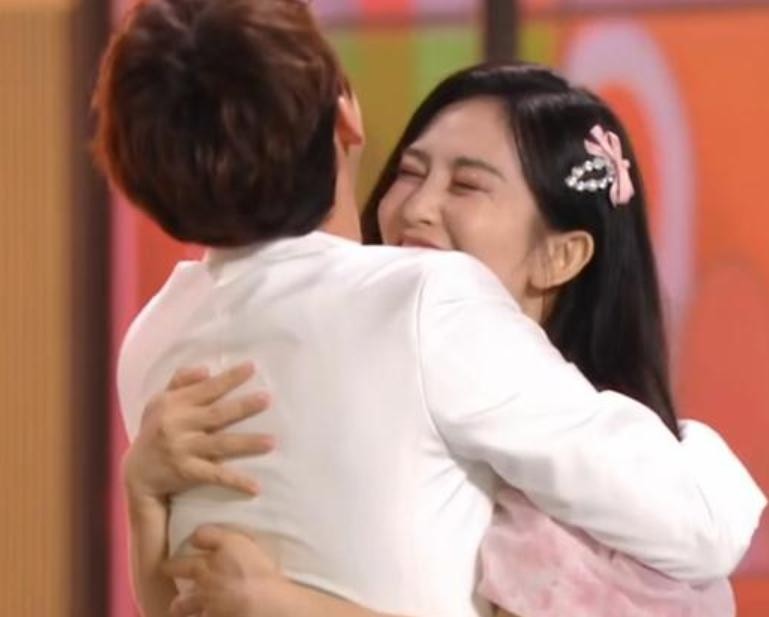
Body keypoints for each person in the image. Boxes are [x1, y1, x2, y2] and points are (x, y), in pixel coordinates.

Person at [92, 2, 765, 617]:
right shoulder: (422, 302)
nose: (417, 208)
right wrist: (695, 449)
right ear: (347, 115)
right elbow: (703, 524)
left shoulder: (154, 339)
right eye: (411, 171)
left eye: (466, 184)